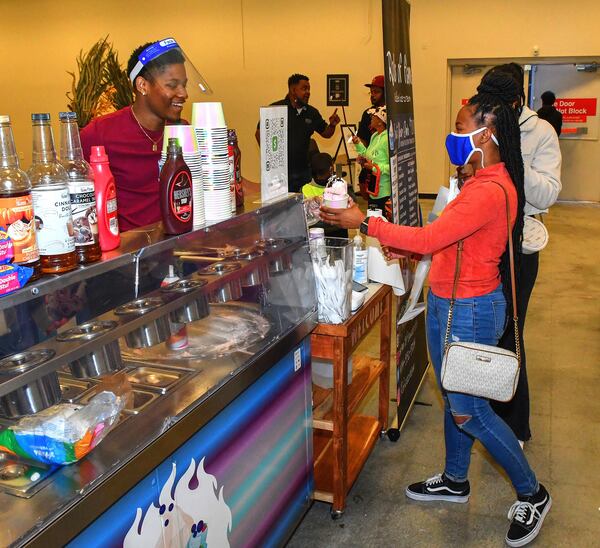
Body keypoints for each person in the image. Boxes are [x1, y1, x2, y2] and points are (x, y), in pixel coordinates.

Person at [320, 73, 551, 548]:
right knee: (454, 396)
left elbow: (429, 239)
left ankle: (533, 491)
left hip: (468, 309)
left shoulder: (489, 190)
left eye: (459, 125)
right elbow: (443, 244)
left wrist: (365, 221)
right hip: (452, 302)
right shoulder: (483, 179)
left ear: (484, 135)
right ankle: (455, 478)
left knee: (471, 412)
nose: (453, 132)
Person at [480, 64, 562, 445]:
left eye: (496, 106)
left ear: (515, 102)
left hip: (520, 246)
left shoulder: (540, 131)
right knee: (483, 331)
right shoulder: (484, 122)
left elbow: (547, 193)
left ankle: (515, 427)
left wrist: (512, 158)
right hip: (483, 241)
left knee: (510, 333)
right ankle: (484, 412)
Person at [80, 39, 188, 231]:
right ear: (142, 85)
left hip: (177, 244)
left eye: (184, 85)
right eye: (172, 85)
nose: (184, 93)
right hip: (130, 252)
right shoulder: (101, 133)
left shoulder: (182, 130)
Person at [255, 74, 340, 193]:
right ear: (293, 90)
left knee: (303, 206)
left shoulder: (311, 112)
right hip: (281, 173)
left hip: (304, 171)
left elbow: (326, 133)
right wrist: (270, 159)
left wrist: (332, 125)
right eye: (304, 88)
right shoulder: (276, 109)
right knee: (281, 206)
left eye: (309, 89)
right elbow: (259, 133)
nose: (308, 92)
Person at [302, 152, 353, 238]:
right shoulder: (341, 185)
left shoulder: (304, 189)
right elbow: (352, 204)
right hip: (338, 231)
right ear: (331, 169)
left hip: (314, 234)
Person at [352, 106, 390, 210]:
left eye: (373, 117)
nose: (371, 119)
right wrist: (358, 144)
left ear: (380, 122)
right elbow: (367, 154)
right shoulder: (374, 136)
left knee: (382, 221)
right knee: (373, 218)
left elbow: (392, 166)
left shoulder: (388, 138)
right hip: (372, 188)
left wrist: (373, 168)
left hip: (384, 191)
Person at [357, 75, 385, 146]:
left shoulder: (391, 112)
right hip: (370, 155)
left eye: (376, 92)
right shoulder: (367, 113)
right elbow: (362, 139)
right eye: (371, 92)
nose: (372, 95)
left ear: (385, 93)